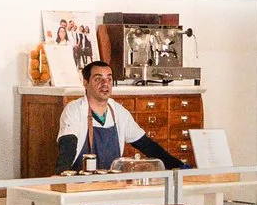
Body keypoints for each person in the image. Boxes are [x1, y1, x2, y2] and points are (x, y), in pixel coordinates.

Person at [55, 61, 186, 172]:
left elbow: (147, 145)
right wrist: (61, 177)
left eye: (109, 79)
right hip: (81, 183)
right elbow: (68, 147)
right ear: (85, 82)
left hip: (113, 183)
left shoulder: (118, 111)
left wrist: (179, 167)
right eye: (98, 79)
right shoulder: (74, 110)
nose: (105, 84)